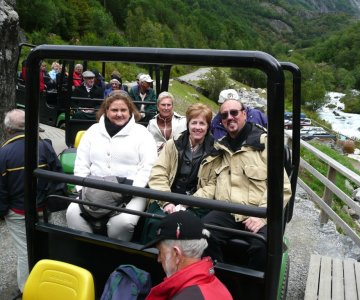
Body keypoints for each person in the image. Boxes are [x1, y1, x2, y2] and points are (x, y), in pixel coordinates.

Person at [202, 98, 291, 271]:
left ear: (244, 114)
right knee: (202, 232)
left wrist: (263, 215)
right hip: (227, 210)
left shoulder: (264, 144)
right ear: (221, 121)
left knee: (263, 246)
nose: (230, 117)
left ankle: (254, 289)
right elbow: (208, 182)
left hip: (257, 210)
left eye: (234, 112)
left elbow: (282, 186)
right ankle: (218, 280)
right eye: (225, 115)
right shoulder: (221, 148)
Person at [66, 91, 158, 241]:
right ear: (106, 111)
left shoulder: (142, 134)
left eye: (123, 110)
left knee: (122, 223)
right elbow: (81, 163)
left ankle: (116, 252)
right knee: (72, 213)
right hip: (93, 188)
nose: (119, 114)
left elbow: (148, 166)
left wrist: (133, 189)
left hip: (130, 191)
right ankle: (86, 246)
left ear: (130, 111)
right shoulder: (93, 131)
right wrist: (82, 189)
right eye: (114, 110)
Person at [0, 109, 63, 294]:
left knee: (24, 251)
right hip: (42, 207)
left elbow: (1, 190)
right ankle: (45, 281)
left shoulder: (4, 153)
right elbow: (57, 174)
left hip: (17, 212)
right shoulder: (43, 146)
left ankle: (28, 291)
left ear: (8, 129)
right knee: (42, 244)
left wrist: (3, 212)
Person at [142, 103, 219, 243]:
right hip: (166, 195)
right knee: (156, 223)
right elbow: (159, 172)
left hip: (196, 202)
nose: (197, 127)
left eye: (202, 123)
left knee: (187, 228)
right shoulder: (173, 144)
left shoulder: (215, 151)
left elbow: (213, 184)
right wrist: (167, 202)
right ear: (188, 124)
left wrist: (186, 204)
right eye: (193, 122)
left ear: (208, 126)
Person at [142, 211, 233, 300]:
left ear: (176, 254)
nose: (158, 259)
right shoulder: (218, 285)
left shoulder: (185, 295)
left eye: (160, 252)